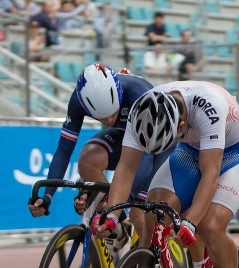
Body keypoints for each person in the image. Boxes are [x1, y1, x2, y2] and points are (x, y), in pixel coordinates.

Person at [92, 81, 239, 268]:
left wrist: (189, 223)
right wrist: (112, 216)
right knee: (153, 216)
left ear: (180, 126)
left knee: (209, 226)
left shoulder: (208, 106)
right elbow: (125, 169)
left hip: (233, 154)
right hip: (189, 151)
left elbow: (210, 174)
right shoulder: (142, 109)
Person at [28, 65, 176, 250]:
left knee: (140, 216)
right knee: (89, 158)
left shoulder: (139, 94)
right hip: (123, 136)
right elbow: (64, 150)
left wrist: (118, 206)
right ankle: (119, 230)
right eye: (101, 117)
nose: (108, 121)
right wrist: (47, 196)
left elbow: (143, 161)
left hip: (156, 145)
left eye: (113, 113)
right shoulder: (78, 100)